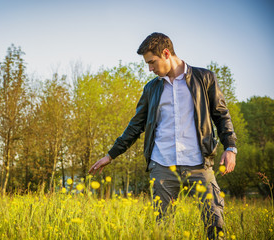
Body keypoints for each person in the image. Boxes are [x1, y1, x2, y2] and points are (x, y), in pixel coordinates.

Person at [88, 32, 237, 239]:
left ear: (166, 53)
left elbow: (221, 115)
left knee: (215, 222)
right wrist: (110, 155)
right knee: (163, 229)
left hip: (199, 163)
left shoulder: (204, 78)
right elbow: (135, 126)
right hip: (162, 165)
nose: (150, 68)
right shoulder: (152, 89)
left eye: (152, 62)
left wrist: (230, 147)